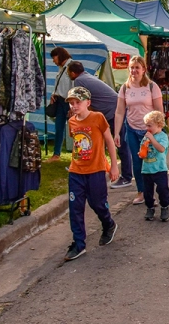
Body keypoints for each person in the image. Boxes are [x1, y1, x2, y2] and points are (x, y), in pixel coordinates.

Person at [64, 86, 120, 261]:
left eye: (77, 102)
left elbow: (109, 141)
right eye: (71, 103)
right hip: (76, 171)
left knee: (98, 203)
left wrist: (113, 165)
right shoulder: (72, 122)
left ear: (88, 102)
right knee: (75, 208)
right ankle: (79, 243)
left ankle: (108, 224)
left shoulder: (98, 118)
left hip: (96, 170)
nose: (74, 106)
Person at [114, 56, 163, 206]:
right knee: (137, 161)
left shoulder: (151, 86)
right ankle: (141, 192)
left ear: (143, 69)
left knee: (151, 162)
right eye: (132, 67)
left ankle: (153, 193)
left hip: (148, 131)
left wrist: (158, 130)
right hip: (132, 129)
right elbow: (120, 112)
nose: (134, 70)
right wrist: (116, 132)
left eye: (137, 67)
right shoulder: (125, 88)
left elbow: (159, 110)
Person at [139, 110, 169, 222]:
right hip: (146, 169)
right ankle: (150, 208)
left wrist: (152, 139)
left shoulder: (162, 137)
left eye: (149, 125)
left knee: (162, 189)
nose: (147, 128)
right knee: (147, 191)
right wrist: (142, 152)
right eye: (146, 125)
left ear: (159, 125)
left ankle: (165, 206)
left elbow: (161, 149)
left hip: (159, 169)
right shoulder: (146, 137)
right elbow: (142, 149)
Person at [48, 47, 74, 162]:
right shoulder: (62, 68)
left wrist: (73, 104)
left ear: (59, 55)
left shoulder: (71, 67)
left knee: (74, 128)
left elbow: (74, 86)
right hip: (59, 101)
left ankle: (78, 154)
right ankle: (56, 154)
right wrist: (54, 94)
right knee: (59, 128)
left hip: (68, 102)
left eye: (54, 57)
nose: (53, 60)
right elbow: (60, 85)